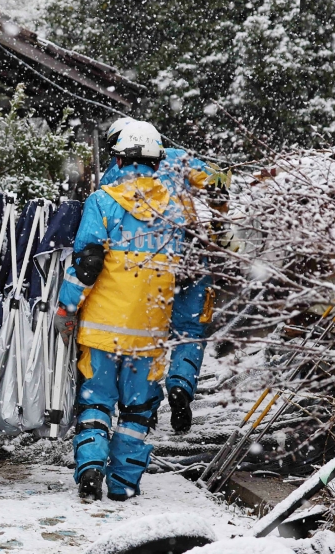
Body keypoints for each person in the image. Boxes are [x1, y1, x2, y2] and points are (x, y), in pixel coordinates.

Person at [54, 120, 207, 502]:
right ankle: (123, 484)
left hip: (101, 332)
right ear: (158, 162)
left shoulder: (102, 201)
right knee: (137, 413)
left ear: (119, 158)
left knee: (95, 403)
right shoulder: (176, 214)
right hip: (148, 337)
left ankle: (90, 470)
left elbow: (86, 265)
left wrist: (66, 307)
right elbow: (186, 279)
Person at [95, 118, 230, 434]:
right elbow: (219, 181)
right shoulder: (180, 158)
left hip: (148, 261)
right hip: (191, 255)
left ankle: (146, 404)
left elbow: (105, 224)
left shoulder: (114, 173)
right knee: (190, 331)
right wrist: (221, 229)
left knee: (148, 335)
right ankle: (181, 384)